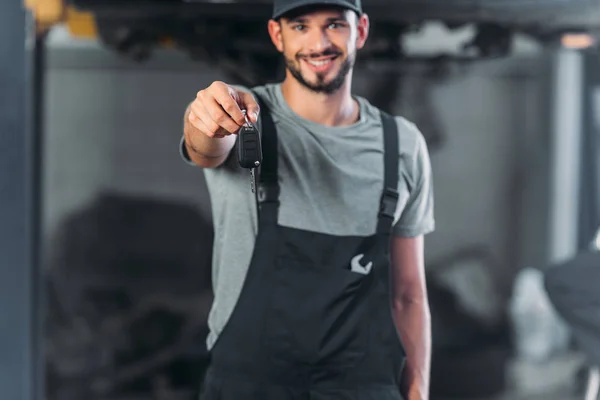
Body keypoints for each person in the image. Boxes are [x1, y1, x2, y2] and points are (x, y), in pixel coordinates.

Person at [179, 0, 435, 398]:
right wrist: (206, 116)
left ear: (361, 31)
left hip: (362, 387)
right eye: (300, 26)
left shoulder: (402, 144)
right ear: (276, 35)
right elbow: (205, 147)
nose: (319, 42)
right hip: (250, 386)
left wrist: (418, 390)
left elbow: (408, 294)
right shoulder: (245, 118)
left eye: (334, 25)